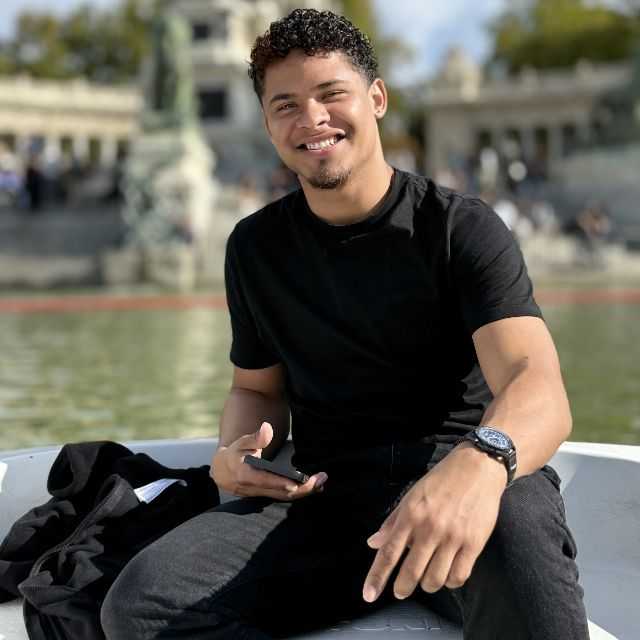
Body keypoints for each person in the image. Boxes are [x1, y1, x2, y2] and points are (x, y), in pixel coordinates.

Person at [101, 9, 589, 640]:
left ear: (376, 98)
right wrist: (237, 452)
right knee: (139, 606)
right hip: (325, 498)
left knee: (525, 562)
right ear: (268, 124)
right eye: (286, 105)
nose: (312, 119)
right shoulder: (254, 247)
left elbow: (537, 384)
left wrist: (482, 463)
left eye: (331, 94)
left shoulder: (460, 227)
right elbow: (255, 388)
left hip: (462, 478)